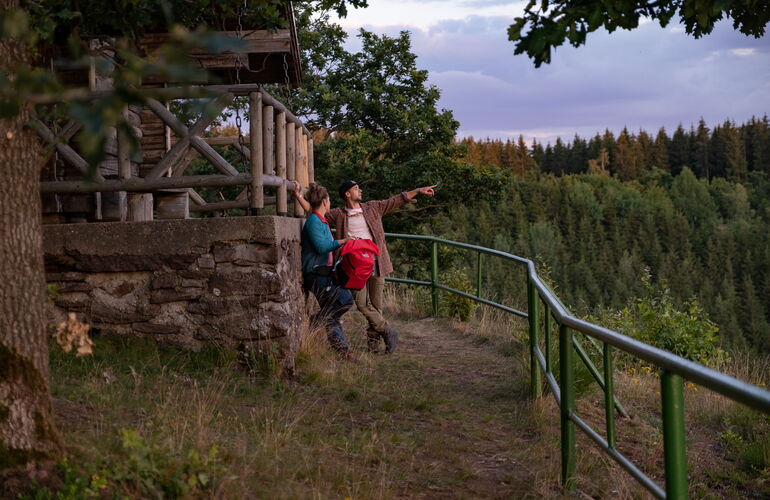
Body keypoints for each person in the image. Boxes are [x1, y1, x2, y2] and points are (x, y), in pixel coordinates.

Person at [294, 180, 437, 353]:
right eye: (356, 188)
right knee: (362, 304)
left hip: (376, 262)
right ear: (347, 193)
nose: (360, 190)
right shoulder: (338, 214)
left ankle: (373, 344)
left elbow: (397, 199)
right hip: (352, 266)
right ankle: (387, 331)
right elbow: (314, 210)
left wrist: (418, 190)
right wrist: (298, 196)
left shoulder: (372, 207)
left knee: (376, 306)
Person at [299, 182, 356, 358]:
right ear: (325, 201)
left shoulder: (320, 220)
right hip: (315, 274)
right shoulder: (314, 221)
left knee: (332, 312)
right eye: (329, 199)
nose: (330, 202)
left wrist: (297, 195)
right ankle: (316, 321)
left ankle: (342, 351)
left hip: (324, 273)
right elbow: (321, 247)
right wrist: (343, 241)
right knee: (345, 300)